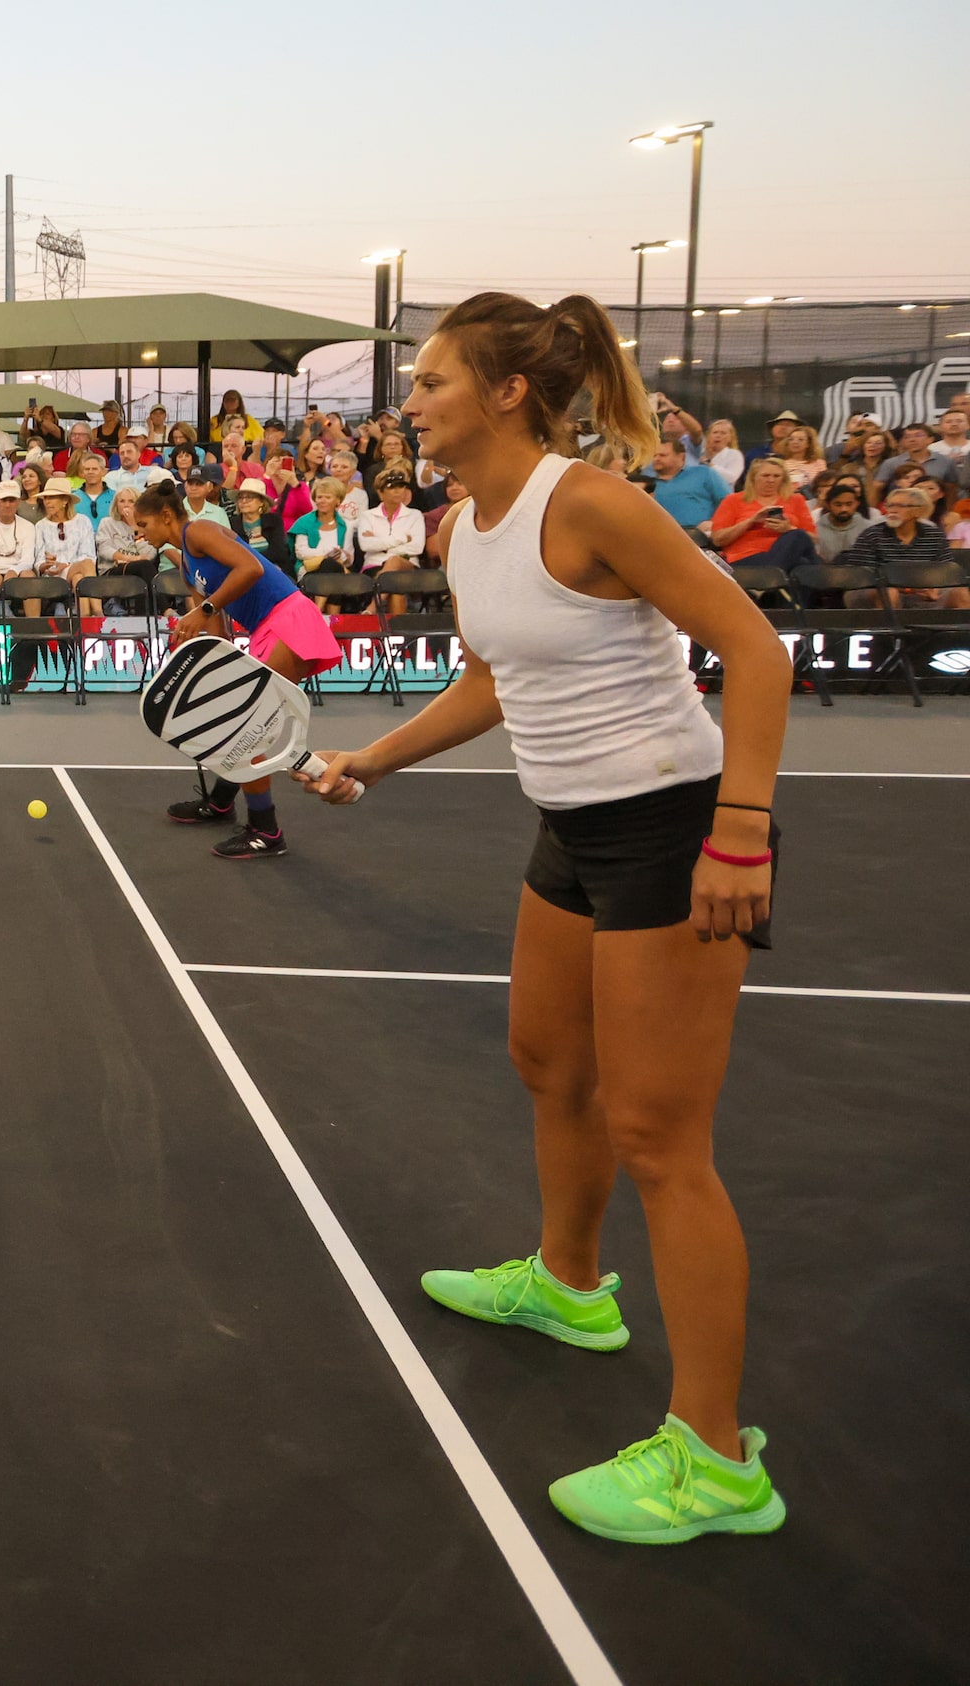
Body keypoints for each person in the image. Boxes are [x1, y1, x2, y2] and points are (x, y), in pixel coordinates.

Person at [304, 290, 792, 1547]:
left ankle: (715, 1460)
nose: (407, 402)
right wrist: (377, 757)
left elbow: (753, 650)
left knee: (658, 1137)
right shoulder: (468, 525)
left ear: (506, 391)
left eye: (428, 382)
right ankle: (569, 1286)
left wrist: (740, 829)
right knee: (546, 1064)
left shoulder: (587, 500)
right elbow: (491, 680)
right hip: (567, 827)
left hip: (670, 824)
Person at [133, 476, 343, 860]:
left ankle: (266, 830)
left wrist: (203, 610)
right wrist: (204, 655)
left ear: (165, 516)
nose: (139, 534)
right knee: (238, 721)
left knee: (249, 730)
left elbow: (251, 568)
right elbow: (218, 632)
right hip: (266, 627)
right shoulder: (184, 567)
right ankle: (221, 803)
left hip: (288, 618)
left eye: (143, 525)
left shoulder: (200, 531)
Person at [845, 483, 966, 608]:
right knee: (889, 593)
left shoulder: (933, 535)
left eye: (900, 506)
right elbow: (862, 576)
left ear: (919, 511)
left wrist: (934, 588)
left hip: (922, 589)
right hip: (875, 590)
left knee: (960, 593)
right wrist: (909, 589)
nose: (892, 510)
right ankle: (886, 627)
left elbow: (946, 571)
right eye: (890, 505)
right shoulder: (872, 535)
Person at [707, 457, 817, 573]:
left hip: (787, 555)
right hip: (745, 557)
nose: (771, 480)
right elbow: (718, 540)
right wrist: (750, 521)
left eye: (776, 476)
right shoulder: (733, 500)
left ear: (783, 479)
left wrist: (788, 529)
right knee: (803, 565)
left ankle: (770, 578)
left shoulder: (796, 499)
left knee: (797, 536)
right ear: (753, 477)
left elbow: (812, 539)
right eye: (766, 475)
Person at [644, 434, 729, 539]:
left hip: (700, 536)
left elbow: (729, 502)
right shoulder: (646, 483)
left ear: (681, 456)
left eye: (663, 455)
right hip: (661, 538)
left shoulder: (703, 473)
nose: (656, 459)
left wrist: (715, 522)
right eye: (654, 455)